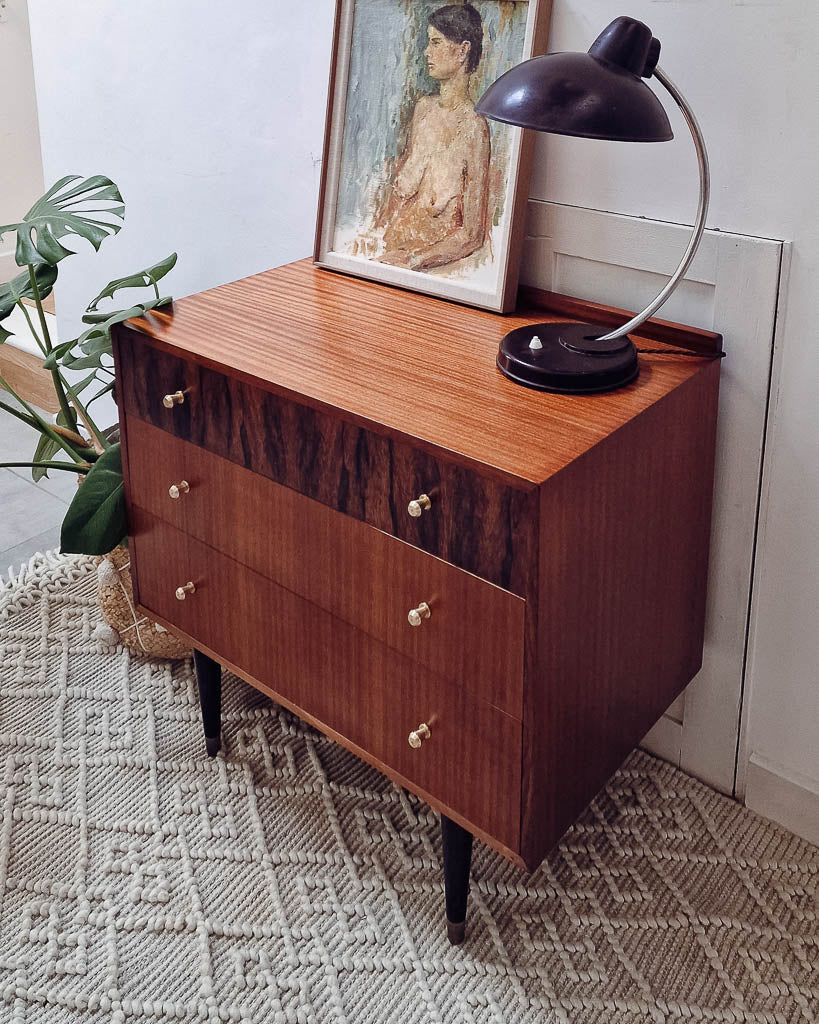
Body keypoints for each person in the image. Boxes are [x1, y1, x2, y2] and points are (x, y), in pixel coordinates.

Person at [377, 4, 490, 272]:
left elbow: (472, 235)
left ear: (463, 50)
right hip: (390, 250)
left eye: (436, 42)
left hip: (429, 268)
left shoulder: (475, 129)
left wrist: (414, 261)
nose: (427, 51)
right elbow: (402, 198)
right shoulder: (424, 110)